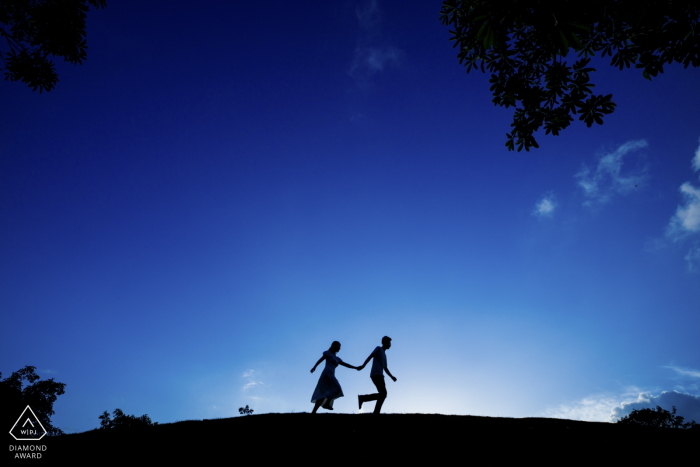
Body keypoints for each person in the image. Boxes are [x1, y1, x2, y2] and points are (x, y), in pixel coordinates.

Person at [310, 341, 361, 414]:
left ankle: (314, 411)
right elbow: (320, 360)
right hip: (326, 373)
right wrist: (314, 367)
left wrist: (355, 367)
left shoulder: (337, 358)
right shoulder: (328, 353)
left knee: (324, 393)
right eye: (338, 346)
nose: (339, 348)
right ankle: (327, 403)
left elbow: (346, 364)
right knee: (336, 387)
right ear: (334, 346)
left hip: (331, 374)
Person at [358, 336, 396, 414]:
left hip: (380, 375)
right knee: (383, 394)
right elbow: (370, 356)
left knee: (383, 394)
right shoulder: (378, 349)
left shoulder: (385, 355)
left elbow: (385, 368)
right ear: (384, 342)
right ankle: (363, 399)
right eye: (389, 343)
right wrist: (363, 365)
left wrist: (391, 376)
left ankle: (375, 411)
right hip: (376, 374)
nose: (390, 344)